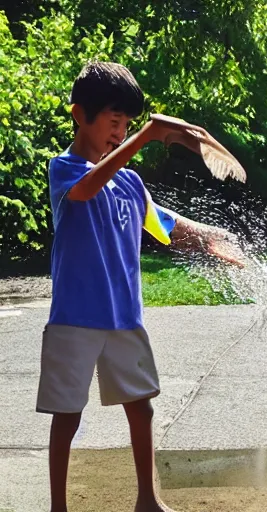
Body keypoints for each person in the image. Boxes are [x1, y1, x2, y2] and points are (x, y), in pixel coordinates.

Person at [36, 60, 244, 512]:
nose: (119, 131)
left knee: (141, 407)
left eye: (127, 124)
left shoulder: (130, 182)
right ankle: (57, 507)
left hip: (124, 317)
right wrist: (146, 135)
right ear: (79, 114)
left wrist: (209, 238)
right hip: (75, 318)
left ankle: (147, 500)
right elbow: (88, 189)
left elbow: (165, 225)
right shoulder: (64, 170)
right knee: (67, 415)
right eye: (114, 122)